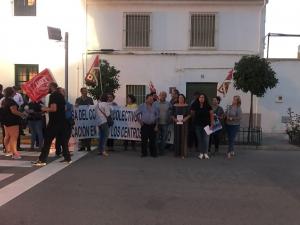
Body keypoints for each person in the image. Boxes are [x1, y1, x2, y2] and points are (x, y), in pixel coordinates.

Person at [32, 82, 72, 166]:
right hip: (62, 122)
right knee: (63, 141)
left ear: (51, 87)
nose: (47, 89)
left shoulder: (53, 96)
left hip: (54, 123)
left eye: (48, 87)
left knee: (47, 141)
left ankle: (41, 160)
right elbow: (63, 108)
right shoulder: (61, 96)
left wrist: (43, 108)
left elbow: (54, 109)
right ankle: (67, 158)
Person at [1, 87, 26, 159]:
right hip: (12, 121)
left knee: (7, 136)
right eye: (14, 91)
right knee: (14, 137)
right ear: (11, 93)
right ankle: (15, 153)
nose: (15, 92)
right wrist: (22, 114)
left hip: (5, 121)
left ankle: (8, 151)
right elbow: (14, 111)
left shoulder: (4, 100)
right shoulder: (11, 101)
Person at [190, 93, 214, 160]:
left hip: (207, 125)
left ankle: (205, 153)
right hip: (198, 125)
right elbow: (192, 114)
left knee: (206, 139)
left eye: (203, 97)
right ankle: (201, 153)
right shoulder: (195, 105)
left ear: (205, 98)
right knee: (200, 140)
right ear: (198, 98)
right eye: (200, 97)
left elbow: (211, 115)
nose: (201, 98)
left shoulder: (208, 106)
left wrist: (212, 124)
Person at [55, 88, 74, 157]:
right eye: (63, 91)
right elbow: (64, 108)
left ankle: (60, 151)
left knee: (61, 137)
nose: (65, 92)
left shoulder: (62, 99)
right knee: (65, 137)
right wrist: (70, 106)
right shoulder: (61, 100)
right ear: (60, 93)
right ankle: (64, 152)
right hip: (65, 121)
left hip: (64, 120)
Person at [171, 94, 190, 159]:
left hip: (184, 123)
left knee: (183, 137)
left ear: (184, 99)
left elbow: (189, 114)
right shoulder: (175, 105)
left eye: (182, 98)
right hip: (176, 123)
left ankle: (183, 153)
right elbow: (172, 114)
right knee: (177, 137)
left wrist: (185, 119)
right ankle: (177, 152)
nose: (180, 99)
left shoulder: (187, 106)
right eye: (179, 98)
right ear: (178, 99)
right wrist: (174, 119)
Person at [75, 87, 94, 151]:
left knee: (88, 132)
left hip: (88, 119)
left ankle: (88, 146)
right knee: (81, 132)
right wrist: (76, 106)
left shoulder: (90, 99)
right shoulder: (78, 99)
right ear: (81, 92)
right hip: (81, 120)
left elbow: (93, 108)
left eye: (86, 91)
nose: (85, 92)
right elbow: (76, 108)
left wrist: (90, 106)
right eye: (84, 91)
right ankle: (82, 146)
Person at [154, 91, 172, 155]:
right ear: (159, 96)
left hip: (165, 124)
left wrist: (170, 119)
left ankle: (162, 151)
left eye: (164, 95)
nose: (163, 96)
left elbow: (171, 112)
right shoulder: (155, 103)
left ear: (166, 96)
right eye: (161, 95)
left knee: (164, 138)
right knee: (157, 138)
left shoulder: (168, 104)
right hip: (157, 123)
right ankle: (157, 150)